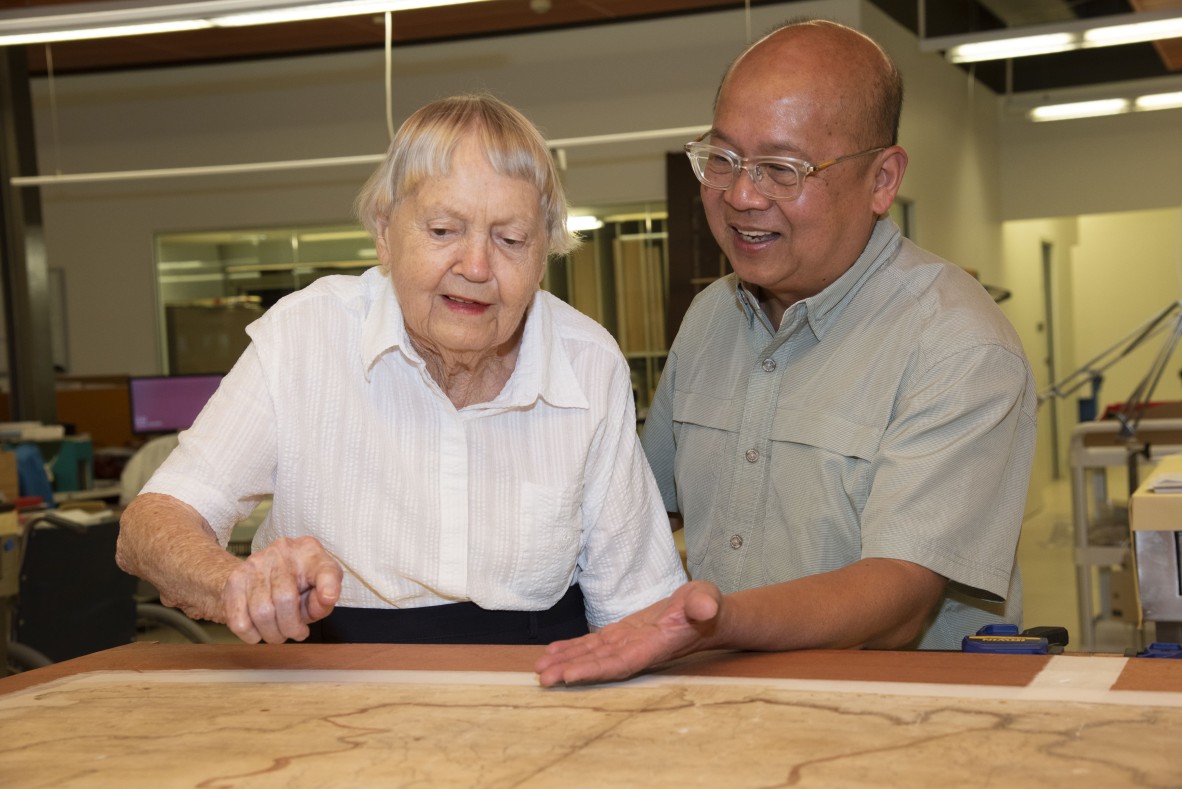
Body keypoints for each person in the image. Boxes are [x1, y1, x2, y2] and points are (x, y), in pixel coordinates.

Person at [535, 19, 1037, 686]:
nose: (741, 195)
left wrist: (713, 622)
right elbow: (645, 507)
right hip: (727, 706)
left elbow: (898, 600)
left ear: (882, 180)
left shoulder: (957, 345)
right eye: (723, 158)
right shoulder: (713, 314)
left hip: (902, 718)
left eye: (781, 168)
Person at [117, 94, 686, 646]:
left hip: (529, 689)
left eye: (511, 240)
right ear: (385, 234)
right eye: (443, 232)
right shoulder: (305, 335)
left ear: (544, 255)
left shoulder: (588, 360)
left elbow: (634, 603)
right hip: (331, 688)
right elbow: (152, 523)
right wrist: (237, 585)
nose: (477, 266)